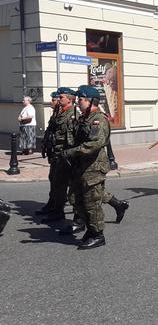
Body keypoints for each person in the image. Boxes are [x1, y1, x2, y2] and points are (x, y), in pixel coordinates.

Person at [61, 86, 111, 249]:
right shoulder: (84, 118)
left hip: (93, 168)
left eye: (80, 100)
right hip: (80, 167)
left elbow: (94, 144)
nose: (78, 102)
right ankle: (89, 228)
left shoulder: (98, 119)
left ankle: (98, 235)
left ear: (90, 102)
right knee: (75, 198)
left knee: (92, 202)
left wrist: (71, 152)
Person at [38, 88, 78, 224]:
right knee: (56, 182)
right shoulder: (61, 113)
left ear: (69, 99)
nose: (58, 100)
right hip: (58, 153)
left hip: (65, 155)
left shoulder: (72, 114)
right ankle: (56, 209)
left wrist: (69, 155)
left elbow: (72, 137)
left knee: (65, 185)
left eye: (61, 97)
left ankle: (61, 212)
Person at [35, 91, 62, 217]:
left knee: (66, 183)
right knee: (54, 179)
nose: (51, 102)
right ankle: (54, 205)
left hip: (63, 155)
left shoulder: (67, 115)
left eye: (53, 100)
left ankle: (116, 203)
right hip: (55, 153)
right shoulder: (55, 114)